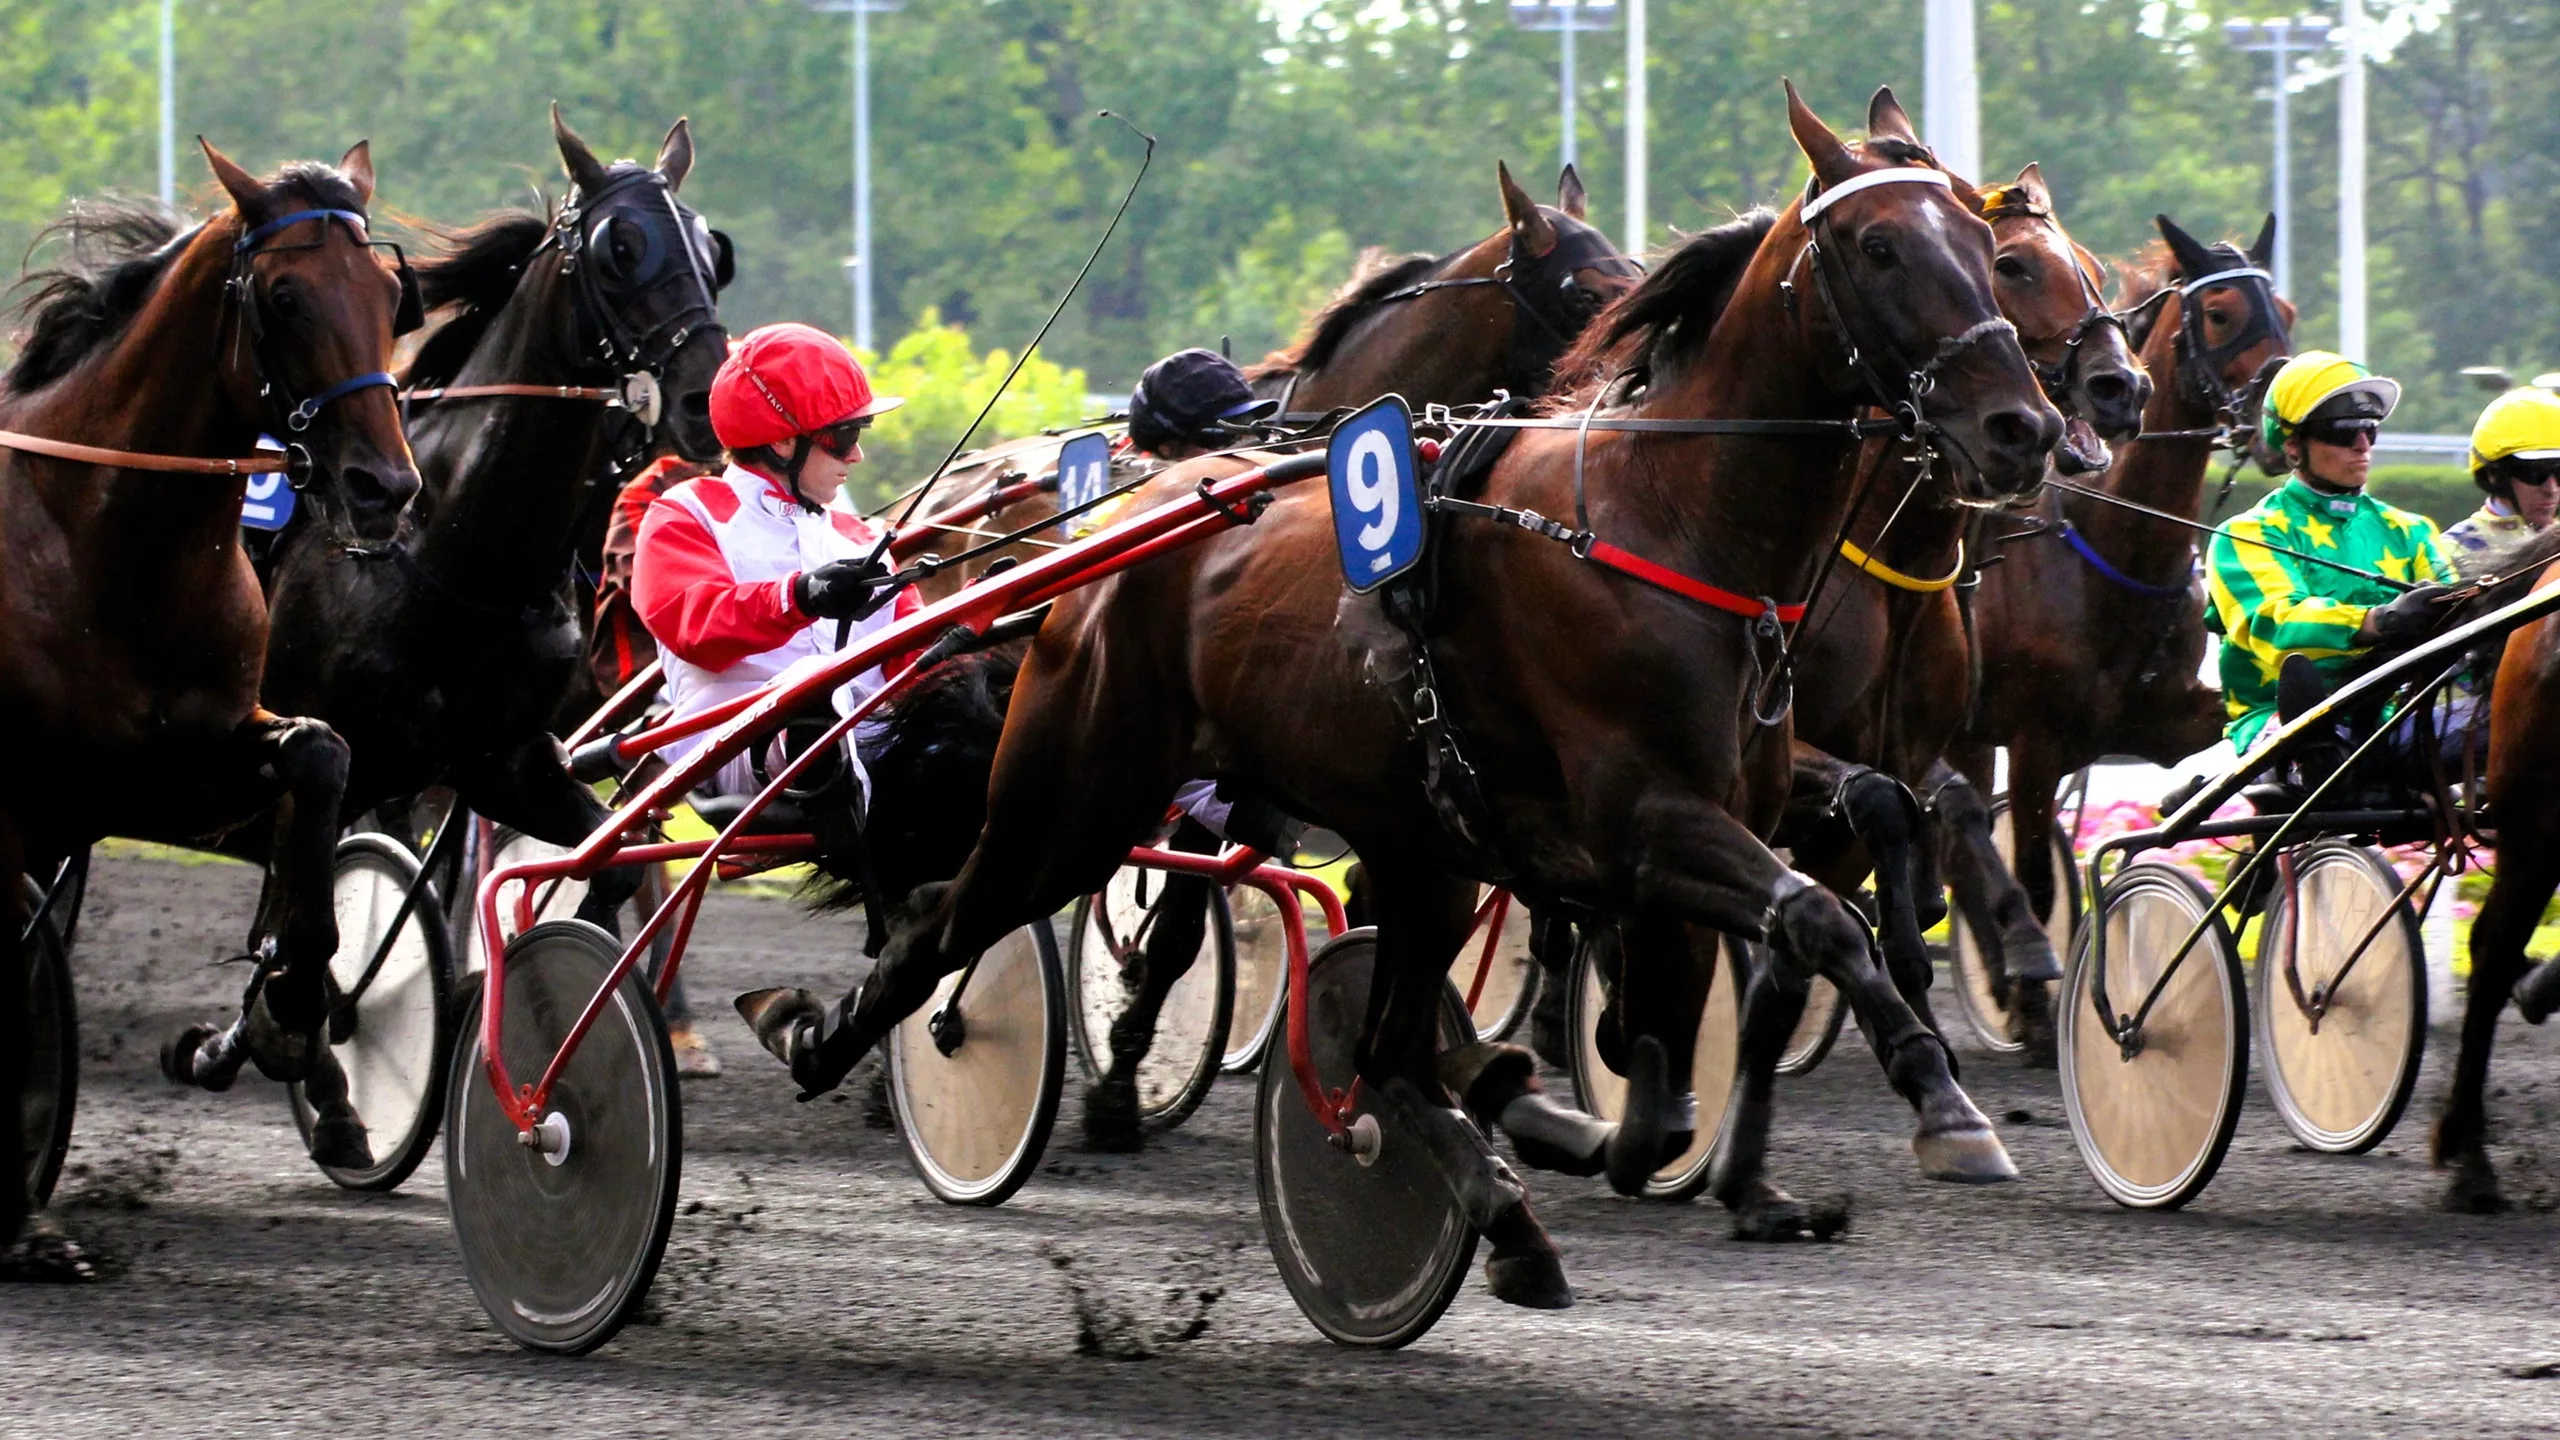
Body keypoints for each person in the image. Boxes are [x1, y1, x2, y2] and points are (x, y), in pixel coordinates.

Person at [2205, 351, 2453, 756]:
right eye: (2343, 431)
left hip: (2397, 713)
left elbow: (2461, 624)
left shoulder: (2413, 531)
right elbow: (2279, 627)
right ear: (2293, 447)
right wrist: (2379, 621)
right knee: (2323, 749)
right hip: (2281, 722)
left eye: (2370, 429)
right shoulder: (2245, 535)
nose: (2362, 444)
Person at [2441, 386, 2560, 559]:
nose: (2552, 489)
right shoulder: (2453, 550)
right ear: (2495, 474)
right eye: (2536, 474)